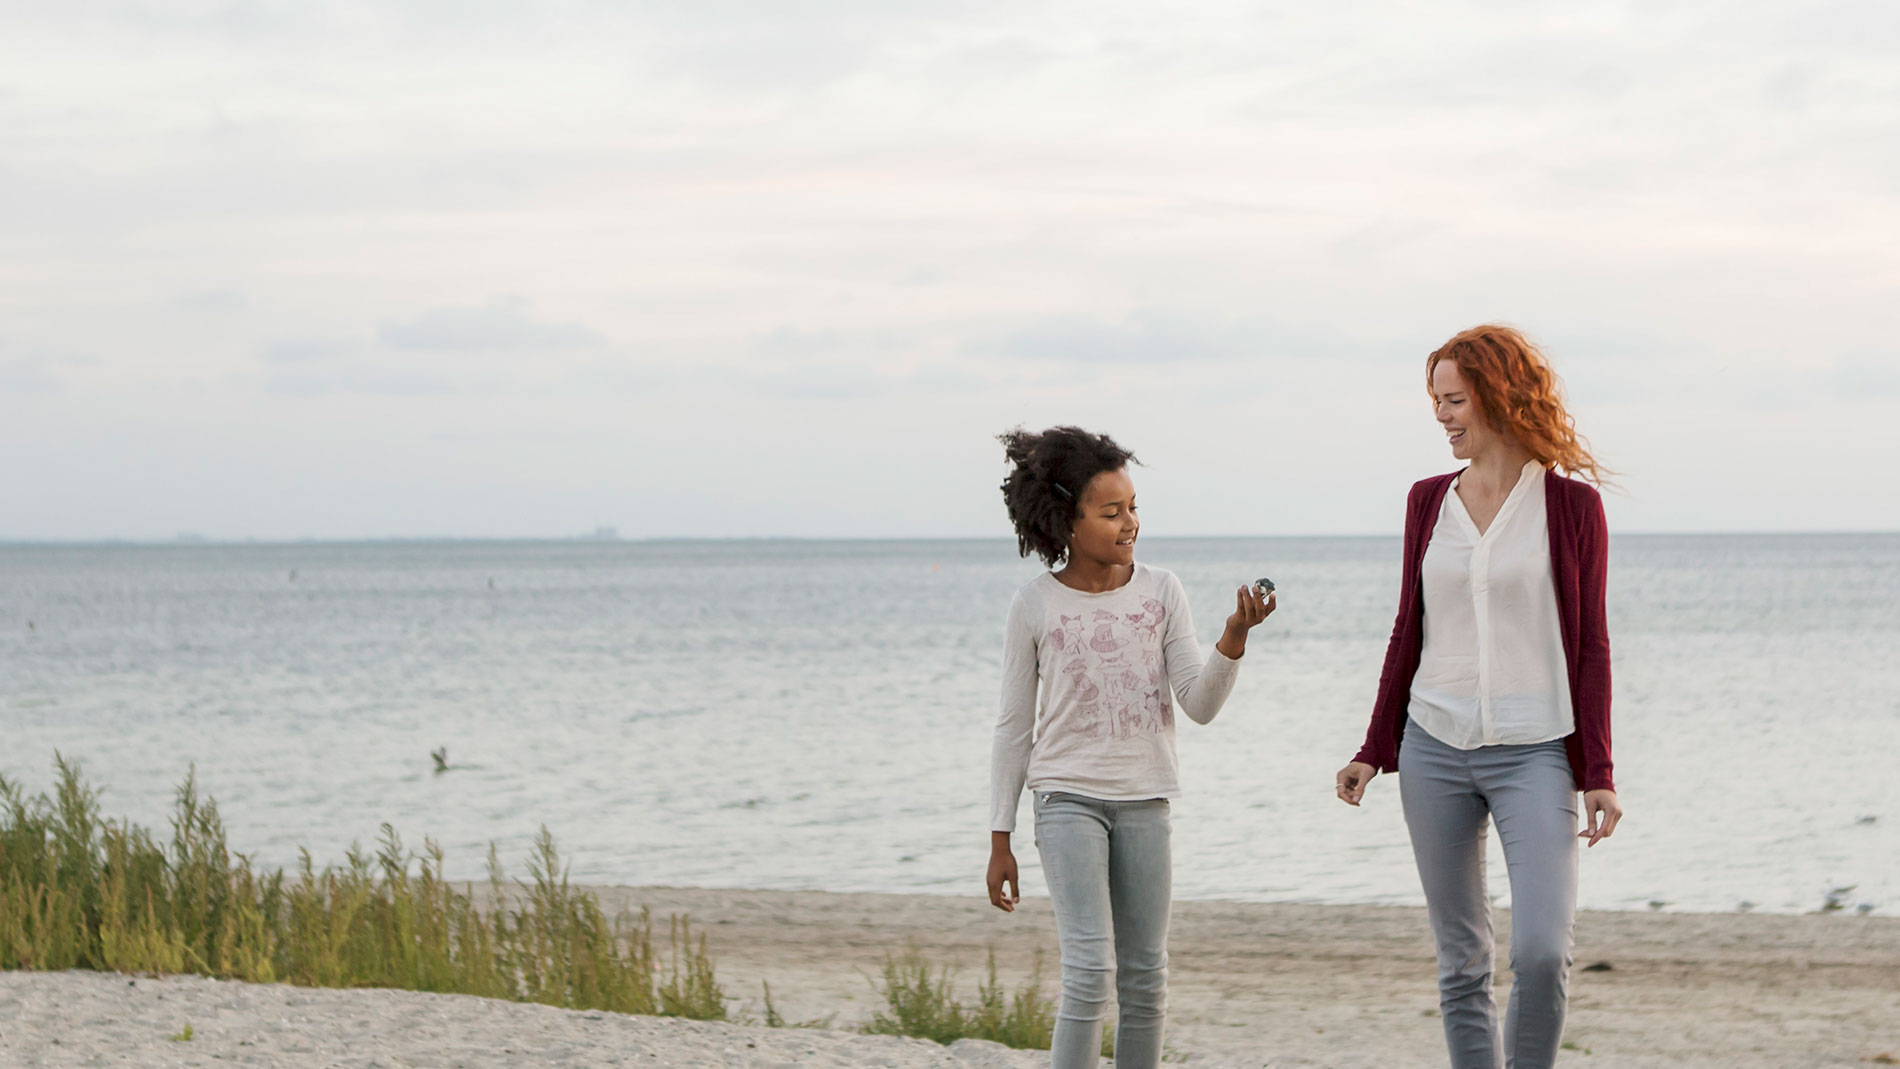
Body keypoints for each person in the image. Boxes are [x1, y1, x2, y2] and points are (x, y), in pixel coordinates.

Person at [1335, 325, 1624, 1068]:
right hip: (1434, 747)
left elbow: (1591, 645)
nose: (1442, 415)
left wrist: (1598, 771)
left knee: (1540, 953)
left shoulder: (1571, 508)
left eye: (1455, 399)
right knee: (1461, 962)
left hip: (1536, 754)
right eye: (1436, 400)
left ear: (1497, 396)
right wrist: (1376, 747)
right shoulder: (1428, 501)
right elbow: (1409, 627)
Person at [986, 425, 1273, 1069]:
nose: (1129, 523)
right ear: (1066, 520)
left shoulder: (1162, 591)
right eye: (1111, 512)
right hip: (1066, 803)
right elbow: (1012, 725)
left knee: (1145, 980)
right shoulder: (1033, 605)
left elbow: (1197, 704)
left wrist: (1232, 641)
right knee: (1089, 973)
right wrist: (1000, 835)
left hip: (1147, 800)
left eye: (1134, 507)